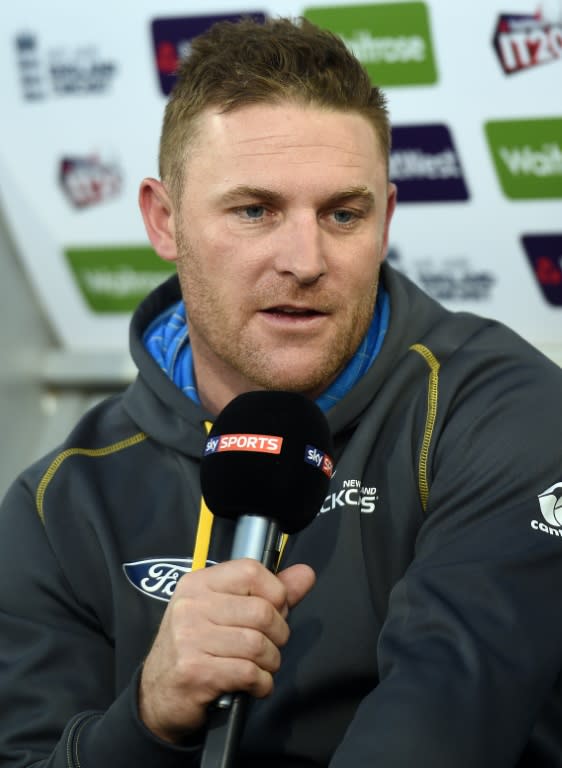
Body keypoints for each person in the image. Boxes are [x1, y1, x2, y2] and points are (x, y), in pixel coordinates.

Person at [1, 15, 562, 768]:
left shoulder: (499, 412)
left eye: (343, 214)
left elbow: (442, 728)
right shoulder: (60, 502)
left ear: (387, 217)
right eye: (255, 210)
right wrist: (147, 719)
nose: (304, 260)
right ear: (164, 221)